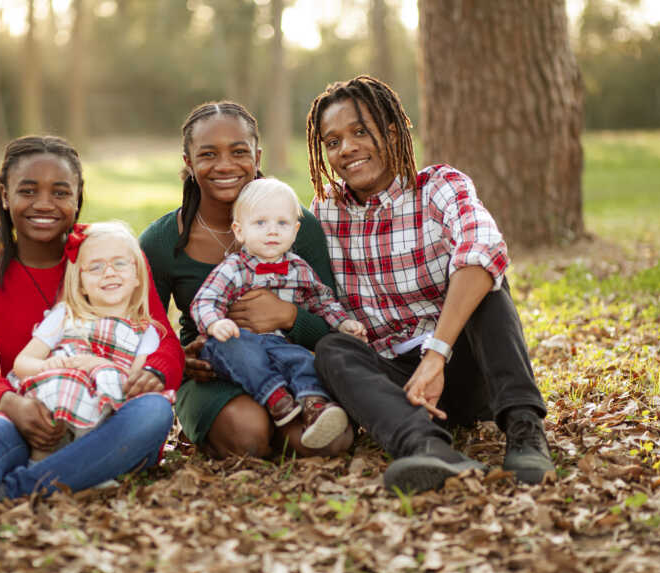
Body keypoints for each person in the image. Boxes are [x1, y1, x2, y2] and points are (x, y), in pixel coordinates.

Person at [0, 136, 183, 537]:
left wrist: (154, 373)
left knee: (154, 414)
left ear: (78, 199)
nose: (43, 204)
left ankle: (15, 490)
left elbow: (164, 346)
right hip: (35, 411)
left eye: (60, 192)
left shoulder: (111, 257)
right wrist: (14, 404)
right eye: (27, 191)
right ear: (5, 196)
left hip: (108, 424)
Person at [305, 75, 554, 493]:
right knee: (333, 350)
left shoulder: (439, 187)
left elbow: (483, 248)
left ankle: (525, 431)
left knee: (485, 285)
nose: (346, 149)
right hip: (397, 390)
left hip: (460, 363)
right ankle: (429, 448)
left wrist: (437, 354)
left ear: (391, 131)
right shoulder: (326, 212)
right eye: (332, 142)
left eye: (360, 132)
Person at [140, 101, 354, 459]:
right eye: (208, 154)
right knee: (248, 432)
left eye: (238, 152)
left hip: (290, 360)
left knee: (331, 441)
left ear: (256, 156)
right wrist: (179, 359)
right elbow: (144, 330)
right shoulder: (161, 241)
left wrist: (288, 317)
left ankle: (290, 418)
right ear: (189, 162)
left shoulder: (296, 229)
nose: (225, 165)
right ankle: (235, 426)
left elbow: (330, 321)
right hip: (215, 370)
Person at [190, 178, 365, 449]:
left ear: (295, 231)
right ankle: (276, 399)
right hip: (240, 341)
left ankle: (313, 405)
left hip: (280, 344)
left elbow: (323, 301)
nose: (272, 231)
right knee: (236, 349)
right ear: (239, 231)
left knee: (303, 361)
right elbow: (205, 300)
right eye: (260, 223)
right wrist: (215, 323)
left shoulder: (299, 268)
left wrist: (342, 323)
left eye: (282, 224)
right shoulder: (233, 268)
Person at [11, 221, 176, 461]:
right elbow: (23, 362)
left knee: (146, 411)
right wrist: (48, 366)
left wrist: (97, 365)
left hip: (106, 414)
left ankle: (85, 466)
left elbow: (134, 382)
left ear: (138, 276)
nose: (109, 272)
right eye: (96, 267)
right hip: (57, 403)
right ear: (81, 283)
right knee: (60, 388)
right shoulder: (66, 316)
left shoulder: (146, 331)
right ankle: (41, 462)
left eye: (119, 263)